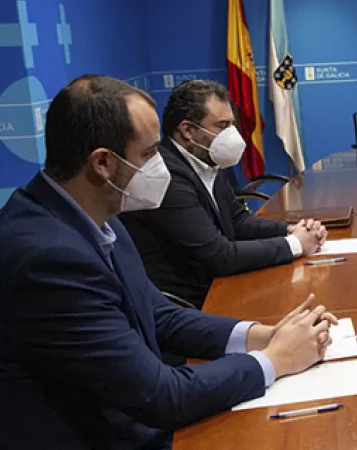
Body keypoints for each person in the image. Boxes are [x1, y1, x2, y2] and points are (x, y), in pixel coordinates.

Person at [0, 75, 335, 450]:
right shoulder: (44, 257)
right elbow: (160, 396)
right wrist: (274, 361)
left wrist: (261, 335)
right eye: (149, 154)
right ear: (102, 163)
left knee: (261, 446)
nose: (161, 165)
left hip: (94, 440)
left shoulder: (92, 217)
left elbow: (159, 316)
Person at [120, 79, 325, 309]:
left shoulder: (207, 158)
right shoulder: (166, 176)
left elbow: (237, 220)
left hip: (219, 284)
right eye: (222, 125)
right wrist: (295, 244)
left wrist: (291, 230)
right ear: (187, 130)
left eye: (231, 124)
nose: (232, 134)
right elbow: (218, 256)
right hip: (191, 303)